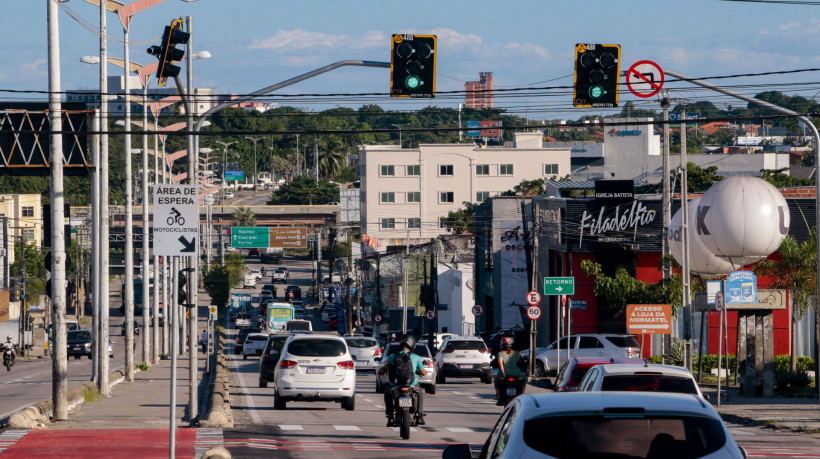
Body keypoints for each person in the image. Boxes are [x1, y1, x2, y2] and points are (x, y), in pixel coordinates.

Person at [378, 335, 426, 426]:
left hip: (395, 385)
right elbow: (423, 372)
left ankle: (390, 417)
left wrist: (382, 372)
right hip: (412, 384)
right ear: (412, 345)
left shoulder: (393, 356)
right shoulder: (416, 357)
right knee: (419, 392)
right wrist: (423, 372)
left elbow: (384, 369)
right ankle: (419, 416)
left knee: (388, 392)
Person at [494, 337, 526, 404]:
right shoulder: (516, 353)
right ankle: (522, 394)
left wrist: (503, 373)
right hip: (517, 373)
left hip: (505, 373)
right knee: (524, 378)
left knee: (496, 379)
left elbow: (500, 363)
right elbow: (518, 362)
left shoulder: (500, 353)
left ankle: (498, 396)